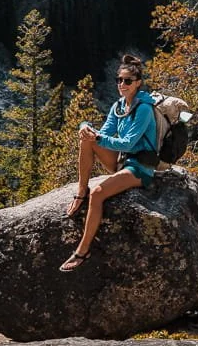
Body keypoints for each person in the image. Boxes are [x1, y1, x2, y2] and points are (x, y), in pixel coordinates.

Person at [60, 54, 158, 272]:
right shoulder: (119, 106)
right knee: (86, 139)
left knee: (99, 193)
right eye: (119, 80)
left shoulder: (143, 109)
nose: (122, 85)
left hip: (139, 167)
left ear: (138, 83)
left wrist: (99, 138)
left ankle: (83, 251)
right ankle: (80, 190)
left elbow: (130, 144)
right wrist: (84, 126)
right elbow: (103, 134)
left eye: (127, 81)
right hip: (123, 161)